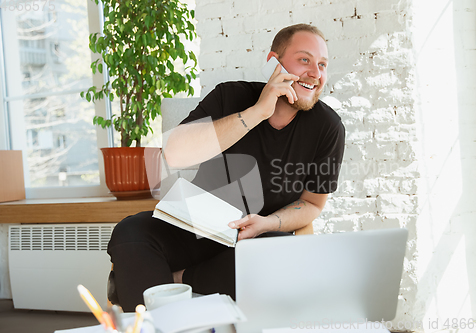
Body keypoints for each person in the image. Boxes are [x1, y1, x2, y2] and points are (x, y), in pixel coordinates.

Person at [107, 23, 345, 312]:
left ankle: (175, 281)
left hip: (253, 238)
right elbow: (175, 153)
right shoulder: (229, 97)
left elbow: (312, 204)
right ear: (274, 62)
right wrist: (257, 112)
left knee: (275, 257)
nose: (316, 74)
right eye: (304, 60)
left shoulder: (328, 127)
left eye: (322, 64)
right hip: (194, 228)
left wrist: (267, 223)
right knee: (131, 230)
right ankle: (162, 319)